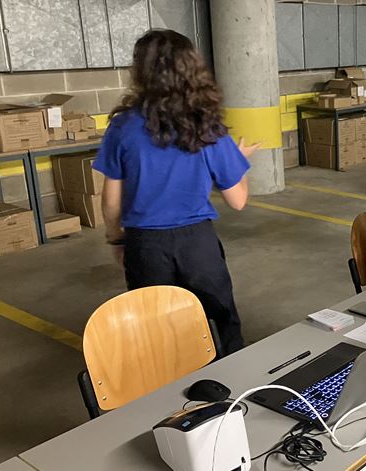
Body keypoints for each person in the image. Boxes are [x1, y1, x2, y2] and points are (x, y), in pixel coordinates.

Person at [94, 30, 259, 355]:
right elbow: (238, 200)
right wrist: (238, 161)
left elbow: (111, 199)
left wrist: (117, 239)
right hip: (197, 245)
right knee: (219, 320)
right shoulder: (207, 126)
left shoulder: (122, 127)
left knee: (157, 330)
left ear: (140, 71)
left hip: (145, 245)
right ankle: (231, 392)